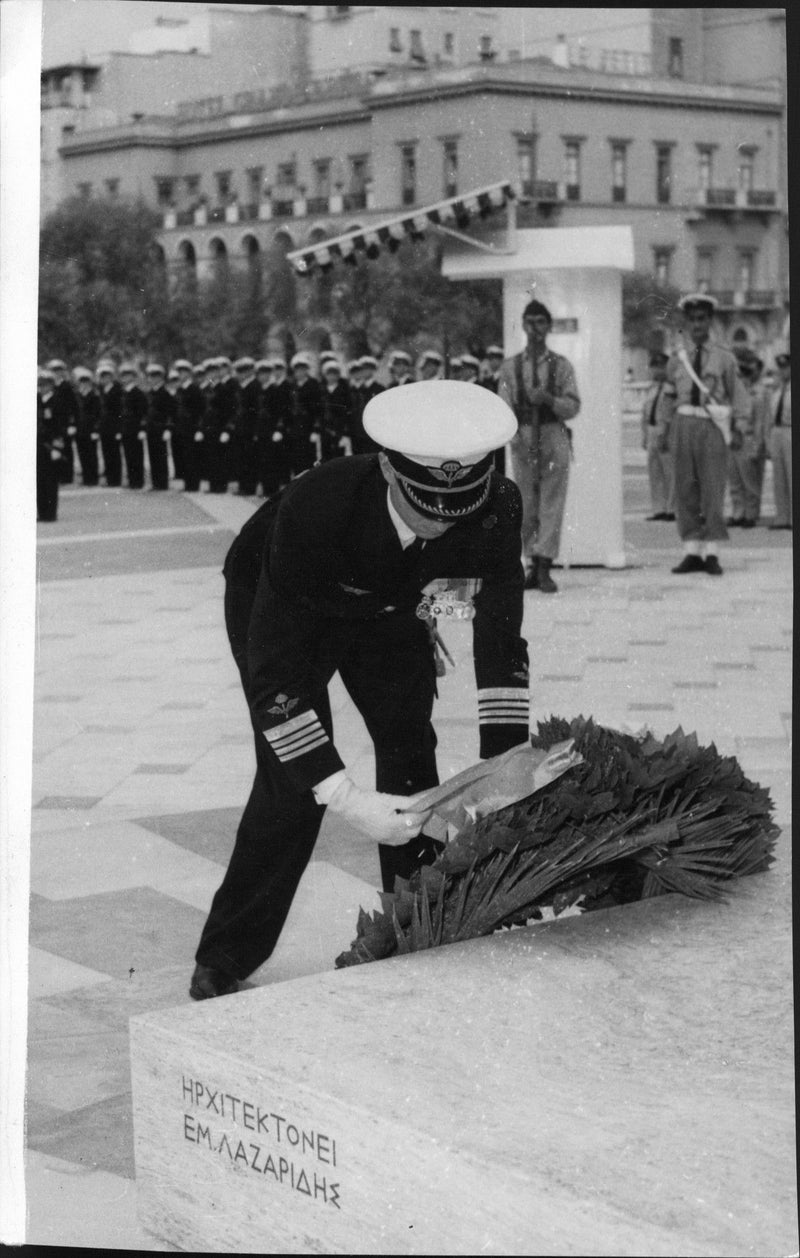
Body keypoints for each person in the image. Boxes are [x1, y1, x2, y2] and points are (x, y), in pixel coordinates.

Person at [189, 380, 527, 999]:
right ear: (389, 472)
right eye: (423, 510)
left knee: (409, 748)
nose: (439, 526)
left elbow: (501, 641)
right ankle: (225, 955)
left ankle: (414, 930)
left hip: (394, 608)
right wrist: (343, 795)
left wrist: (506, 765)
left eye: (455, 515)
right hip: (288, 602)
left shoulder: (497, 505)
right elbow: (277, 677)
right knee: (292, 782)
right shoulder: (317, 506)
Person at [498, 298, 581, 594]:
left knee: (551, 501)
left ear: (548, 327)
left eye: (541, 323)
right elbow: (503, 406)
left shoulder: (561, 365)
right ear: (523, 325)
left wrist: (549, 400)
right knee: (525, 503)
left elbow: (573, 406)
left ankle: (545, 566)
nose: (535, 329)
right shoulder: (510, 367)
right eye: (530, 322)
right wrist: (514, 437)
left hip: (552, 434)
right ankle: (531, 563)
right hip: (522, 438)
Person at [665, 293, 749, 576]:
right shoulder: (677, 359)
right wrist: (665, 429)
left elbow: (737, 393)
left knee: (712, 488)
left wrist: (738, 426)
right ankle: (691, 550)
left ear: (709, 320)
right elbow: (669, 395)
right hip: (683, 423)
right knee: (685, 488)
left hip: (712, 426)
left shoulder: (724, 357)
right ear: (685, 322)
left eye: (702, 319)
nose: (697, 324)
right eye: (692, 319)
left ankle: (712, 550)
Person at [727, 350, 767, 529]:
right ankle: (738, 513)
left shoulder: (755, 397)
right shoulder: (732, 398)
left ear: (749, 378)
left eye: (743, 378)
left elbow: (760, 423)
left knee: (750, 481)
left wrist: (757, 445)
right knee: (734, 480)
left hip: (748, 439)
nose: (741, 381)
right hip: (732, 440)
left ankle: (751, 514)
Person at [640, 350, 675, 521]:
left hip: (666, 432)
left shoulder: (671, 388)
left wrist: (665, 433)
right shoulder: (652, 388)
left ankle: (672, 509)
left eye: (657, 367)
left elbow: (670, 413)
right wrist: (645, 435)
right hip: (652, 430)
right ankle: (659, 509)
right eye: (653, 367)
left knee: (669, 472)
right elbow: (645, 412)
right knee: (654, 472)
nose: (654, 371)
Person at [765, 348, 791, 529]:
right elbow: (769, 416)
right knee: (779, 477)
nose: (783, 372)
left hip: (790, 431)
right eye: (781, 368)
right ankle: (782, 517)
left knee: (792, 475)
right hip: (777, 432)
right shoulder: (776, 390)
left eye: (786, 368)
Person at [174, 359, 206, 492]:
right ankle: (188, 483)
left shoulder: (194, 389)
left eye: (184, 372)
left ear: (189, 373)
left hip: (191, 427)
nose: (181, 375)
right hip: (182, 427)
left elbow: (200, 410)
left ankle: (193, 485)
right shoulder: (180, 389)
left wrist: (199, 429)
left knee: (192, 457)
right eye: (179, 372)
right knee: (184, 457)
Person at [47, 359, 80, 486]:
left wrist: (72, 424)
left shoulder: (66, 386)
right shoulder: (51, 386)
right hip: (53, 423)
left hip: (65, 423)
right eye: (54, 370)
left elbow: (73, 407)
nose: (56, 373)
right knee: (54, 448)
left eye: (59, 370)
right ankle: (58, 475)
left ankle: (67, 477)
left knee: (66, 449)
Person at [289, 351, 323, 473]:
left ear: (306, 370)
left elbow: (318, 409)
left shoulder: (313, 385)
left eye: (302, 369)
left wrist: (315, 429)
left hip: (308, 426)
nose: (299, 372)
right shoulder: (292, 385)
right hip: (295, 426)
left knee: (308, 457)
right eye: (297, 370)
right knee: (296, 456)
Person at [144, 363, 176, 490]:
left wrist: (168, 428)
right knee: (153, 456)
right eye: (150, 376)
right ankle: (155, 482)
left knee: (161, 456)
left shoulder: (165, 393)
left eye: (154, 376)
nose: (151, 378)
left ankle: (162, 483)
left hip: (161, 428)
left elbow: (170, 412)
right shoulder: (150, 393)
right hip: (151, 428)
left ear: (160, 378)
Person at [36, 368, 63, 521]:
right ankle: (42, 512)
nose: (42, 388)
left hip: (51, 445)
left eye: (45, 385)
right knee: (40, 480)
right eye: (40, 385)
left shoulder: (57, 402)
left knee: (51, 481)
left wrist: (58, 447)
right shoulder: (37, 400)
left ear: (51, 385)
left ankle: (51, 514)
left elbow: (60, 426)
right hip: (39, 445)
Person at [232, 356, 261, 495]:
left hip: (250, 428)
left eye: (245, 370)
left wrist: (255, 430)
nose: (242, 374)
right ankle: (243, 486)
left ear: (250, 371)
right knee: (241, 458)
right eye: (240, 371)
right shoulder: (241, 387)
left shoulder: (255, 386)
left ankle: (249, 487)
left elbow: (257, 411)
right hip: (241, 428)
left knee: (250, 459)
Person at [119, 362, 148, 489]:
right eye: (123, 375)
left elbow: (143, 412)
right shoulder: (123, 392)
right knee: (128, 455)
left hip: (135, 428)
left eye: (128, 375)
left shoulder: (138, 393)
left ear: (133, 376)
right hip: (126, 429)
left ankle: (138, 481)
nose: (125, 377)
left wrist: (142, 428)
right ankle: (132, 480)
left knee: (137, 456)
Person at [96, 360, 124, 488]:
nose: (104, 378)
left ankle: (115, 479)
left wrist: (119, 429)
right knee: (106, 453)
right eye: (102, 376)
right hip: (104, 427)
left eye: (107, 375)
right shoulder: (101, 390)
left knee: (114, 454)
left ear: (111, 376)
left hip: (114, 427)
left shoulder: (117, 390)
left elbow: (120, 411)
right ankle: (109, 478)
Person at [319, 357, 354, 458]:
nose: (332, 376)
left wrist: (346, 433)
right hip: (325, 430)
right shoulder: (321, 390)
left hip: (340, 430)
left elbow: (348, 412)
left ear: (338, 375)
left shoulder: (344, 391)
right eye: (329, 373)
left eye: (334, 373)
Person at [72, 367, 101, 486]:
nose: (84, 383)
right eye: (81, 381)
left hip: (90, 429)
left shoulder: (95, 396)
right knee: (82, 454)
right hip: (80, 429)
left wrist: (96, 429)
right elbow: (74, 412)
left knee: (91, 455)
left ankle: (93, 479)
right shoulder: (77, 396)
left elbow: (98, 414)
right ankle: (85, 478)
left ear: (90, 382)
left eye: (86, 381)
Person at [481, 346, 507, 473]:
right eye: (490, 359)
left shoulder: (504, 379)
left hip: (501, 422)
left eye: (495, 359)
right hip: (490, 423)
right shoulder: (487, 379)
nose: (492, 362)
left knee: (501, 457)